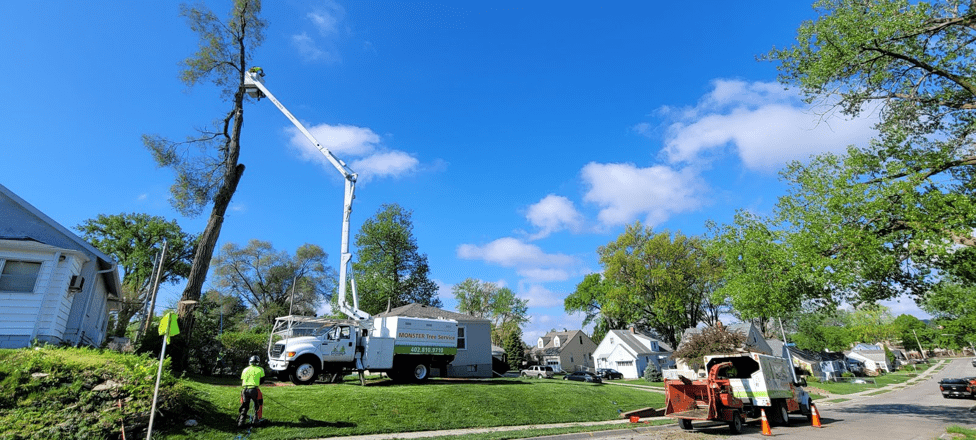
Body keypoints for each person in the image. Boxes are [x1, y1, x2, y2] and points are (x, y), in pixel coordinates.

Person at [238, 355, 265, 427]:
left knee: (245, 406)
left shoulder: (245, 369)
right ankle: (256, 420)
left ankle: (241, 422)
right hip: (254, 390)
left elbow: (242, 379)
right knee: (258, 405)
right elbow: (262, 380)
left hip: (245, 390)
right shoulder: (260, 369)